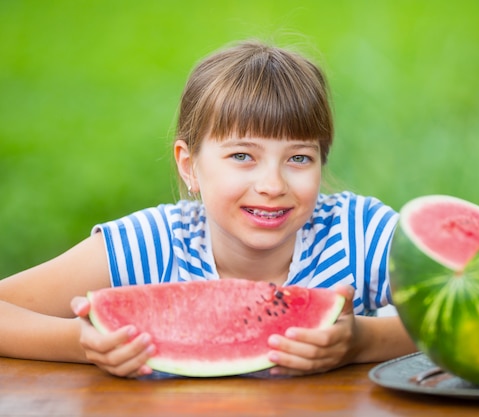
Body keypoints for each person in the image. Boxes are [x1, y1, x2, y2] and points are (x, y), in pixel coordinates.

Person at [0, 39, 416, 378]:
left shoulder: (359, 233)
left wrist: (363, 341)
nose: (272, 185)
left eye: (299, 158)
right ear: (189, 165)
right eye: (242, 156)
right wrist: (85, 343)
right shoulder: (154, 243)